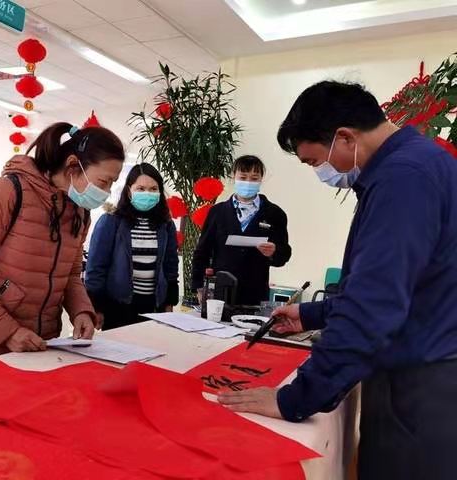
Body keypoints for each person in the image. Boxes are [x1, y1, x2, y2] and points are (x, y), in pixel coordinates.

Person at [217, 81, 457, 480]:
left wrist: (295, 399)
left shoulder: (403, 179)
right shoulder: (420, 162)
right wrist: (312, 315)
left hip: (420, 387)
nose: (321, 173)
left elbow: (372, 306)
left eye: (314, 161)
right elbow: (404, 284)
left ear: (345, 137)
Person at [0, 123, 124, 369]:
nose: (106, 192)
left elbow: (71, 275)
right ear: (73, 165)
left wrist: (81, 311)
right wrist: (8, 332)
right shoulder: (6, 191)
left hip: (37, 348)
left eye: (111, 183)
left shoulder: (79, 213)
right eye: (103, 181)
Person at [85, 163, 179, 330]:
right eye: (140, 188)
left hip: (154, 307)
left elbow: (171, 266)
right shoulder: (111, 221)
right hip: (118, 307)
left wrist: (169, 302)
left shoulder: (166, 225)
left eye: (153, 189)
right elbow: (96, 267)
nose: (147, 193)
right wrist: (96, 307)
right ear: (129, 191)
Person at [192, 155, 291, 306]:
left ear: (261, 179)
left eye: (254, 178)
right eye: (243, 177)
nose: (248, 182)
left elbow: (284, 254)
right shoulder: (218, 212)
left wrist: (274, 252)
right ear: (233, 177)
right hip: (221, 290)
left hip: (255, 291)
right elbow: (202, 251)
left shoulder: (274, 213)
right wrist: (199, 286)